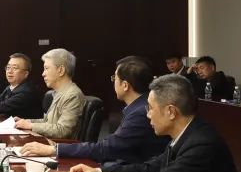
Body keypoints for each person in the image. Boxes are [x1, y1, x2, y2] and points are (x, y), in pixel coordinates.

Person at [71, 74, 241, 172]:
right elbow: (150, 167)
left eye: (151, 108)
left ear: (171, 112)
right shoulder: (185, 134)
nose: (148, 115)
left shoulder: (201, 142)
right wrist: (100, 171)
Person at [22, 56, 167, 163]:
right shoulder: (137, 107)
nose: (113, 82)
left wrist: (55, 149)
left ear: (125, 85)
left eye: (114, 78)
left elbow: (108, 148)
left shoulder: (140, 113)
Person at [15, 48, 84, 139]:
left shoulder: (72, 95)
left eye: (46, 68)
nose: (43, 74)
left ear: (61, 70)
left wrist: (31, 126)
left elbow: (63, 130)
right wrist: (26, 122)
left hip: (59, 146)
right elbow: (48, 122)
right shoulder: (59, 92)